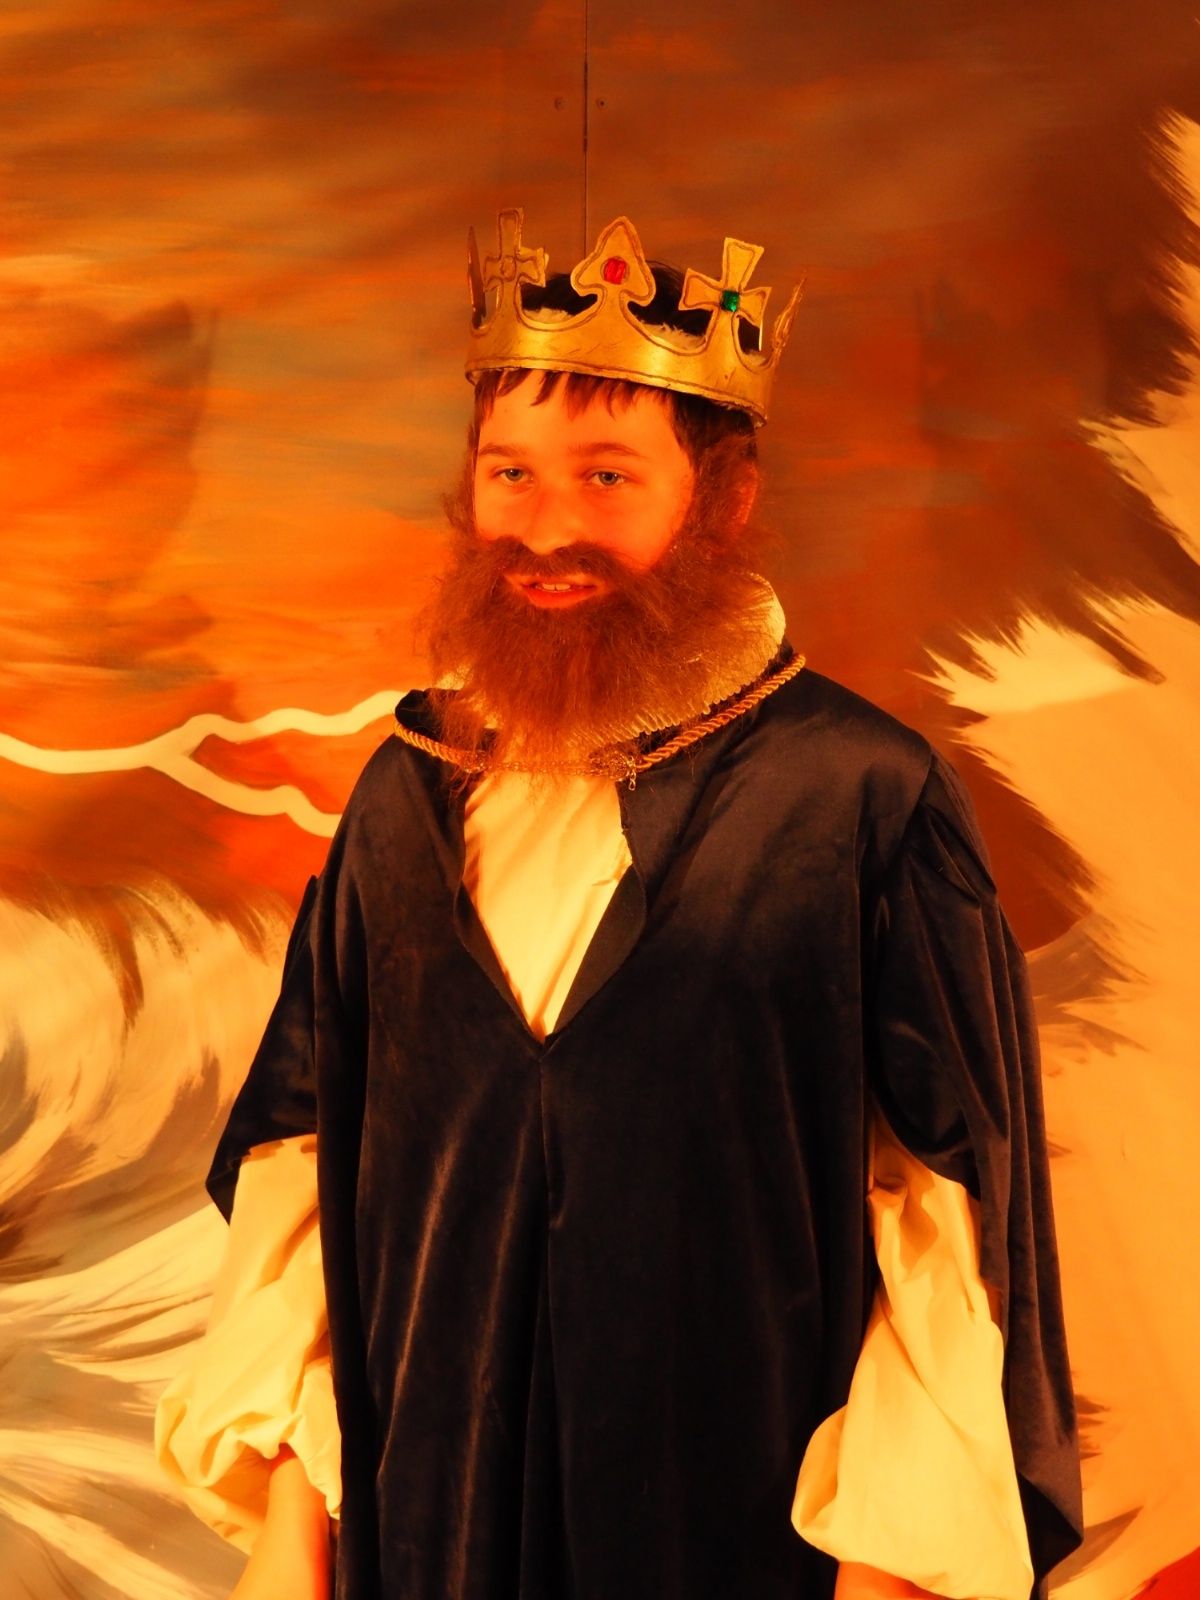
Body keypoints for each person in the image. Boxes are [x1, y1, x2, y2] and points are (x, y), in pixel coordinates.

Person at [156, 210, 1084, 1600]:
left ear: (723, 500)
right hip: (434, 1536)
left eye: (607, 476)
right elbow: (310, 1181)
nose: (547, 530)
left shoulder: (858, 800)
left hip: (738, 1541)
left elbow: (942, 1228)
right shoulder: (406, 796)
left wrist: (886, 1572)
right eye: (510, 474)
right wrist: (295, 1540)